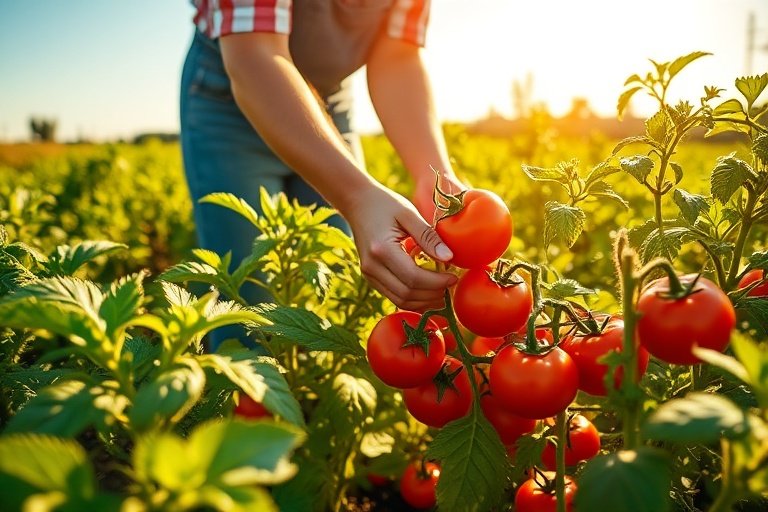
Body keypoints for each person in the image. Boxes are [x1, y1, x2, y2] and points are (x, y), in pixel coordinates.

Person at [180, 0, 464, 349]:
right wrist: (358, 196)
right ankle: (249, 397)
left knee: (341, 275)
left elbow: (397, 54)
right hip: (226, 96)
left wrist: (432, 174)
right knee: (245, 302)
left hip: (327, 98)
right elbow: (255, 53)